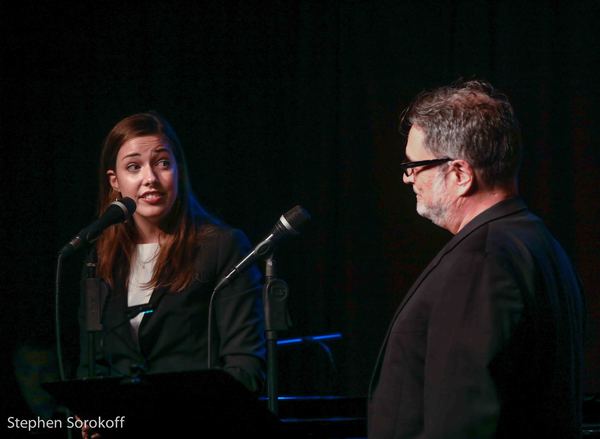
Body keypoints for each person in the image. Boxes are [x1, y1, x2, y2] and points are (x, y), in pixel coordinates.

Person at [368, 79, 585, 438]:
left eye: (414, 165)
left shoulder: (483, 260)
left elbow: (464, 419)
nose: (408, 178)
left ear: (459, 174)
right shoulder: (537, 241)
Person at [76, 112, 269, 436]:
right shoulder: (99, 259)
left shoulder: (222, 247)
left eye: (163, 162)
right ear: (115, 181)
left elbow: (245, 367)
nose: (150, 177)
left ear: (178, 170)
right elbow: (90, 367)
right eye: (134, 167)